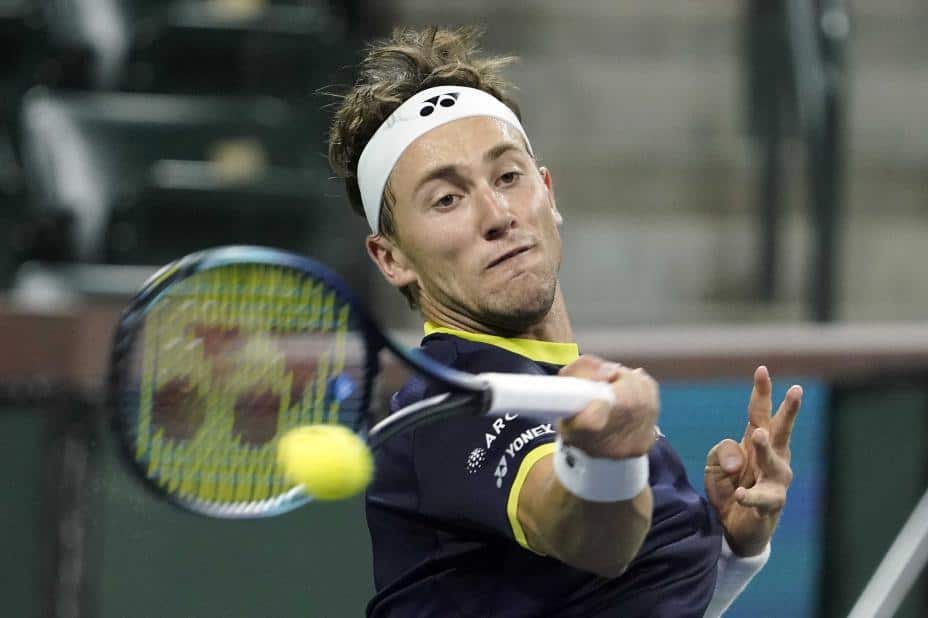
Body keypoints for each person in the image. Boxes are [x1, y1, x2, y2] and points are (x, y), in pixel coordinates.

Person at [328, 26, 803, 617]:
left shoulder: (566, 389)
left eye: (508, 176)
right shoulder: (446, 406)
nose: (497, 214)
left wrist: (730, 548)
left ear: (547, 192)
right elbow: (593, 539)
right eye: (447, 199)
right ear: (392, 258)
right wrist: (606, 461)